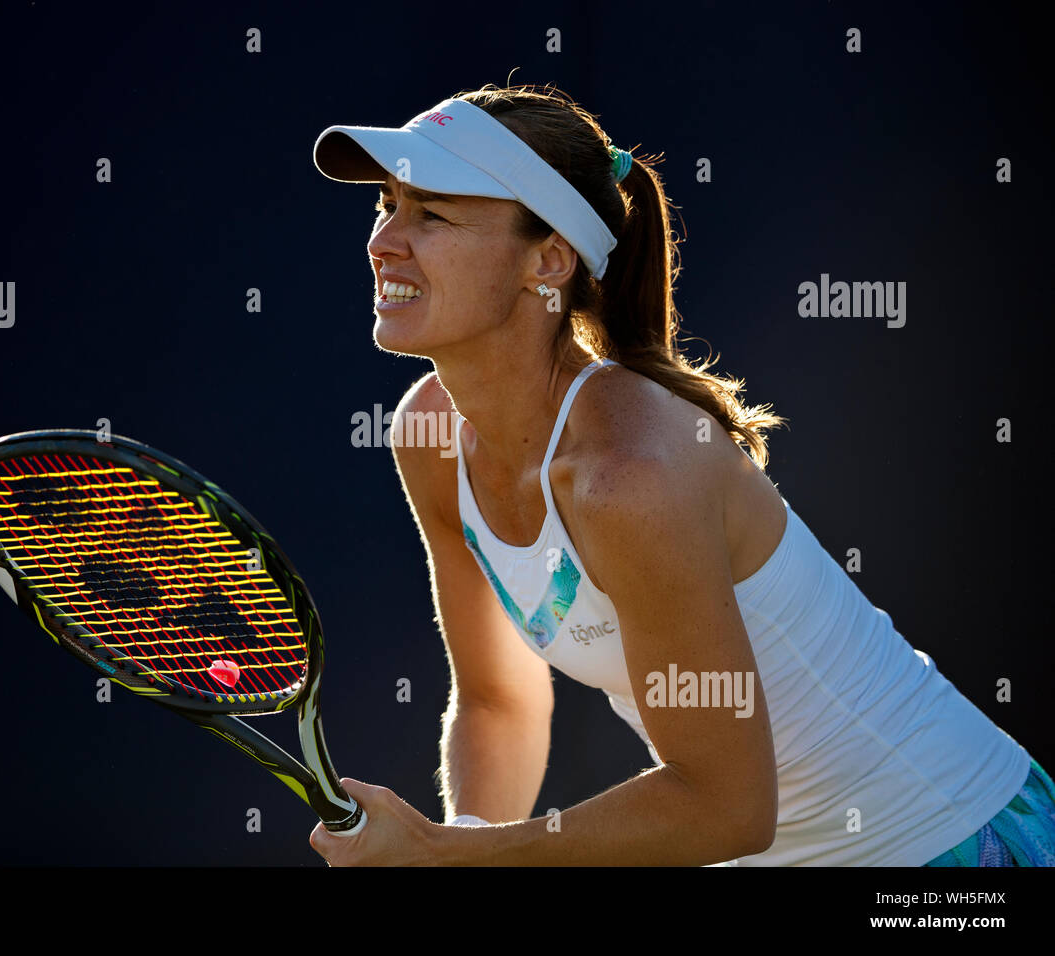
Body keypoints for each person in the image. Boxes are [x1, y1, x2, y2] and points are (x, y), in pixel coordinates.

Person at [305, 83, 1053, 866]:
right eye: (386, 205)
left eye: (431, 214)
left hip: (953, 845)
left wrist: (447, 857)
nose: (384, 241)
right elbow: (499, 703)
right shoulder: (428, 435)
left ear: (548, 260)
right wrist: (461, 838)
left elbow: (725, 807)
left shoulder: (627, 476)